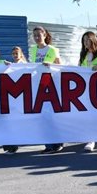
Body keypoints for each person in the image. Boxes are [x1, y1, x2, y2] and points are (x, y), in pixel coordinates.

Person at [31, 26, 65, 154]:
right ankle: (49, 144)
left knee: (53, 115)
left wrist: (51, 65)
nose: (36, 38)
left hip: (52, 85)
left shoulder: (52, 50)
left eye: (39, 35)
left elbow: (60, 66)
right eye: (34, 35)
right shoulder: (33, 50)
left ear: (44, 35)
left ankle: (58, 143)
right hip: (39, 85)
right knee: (43, 116)